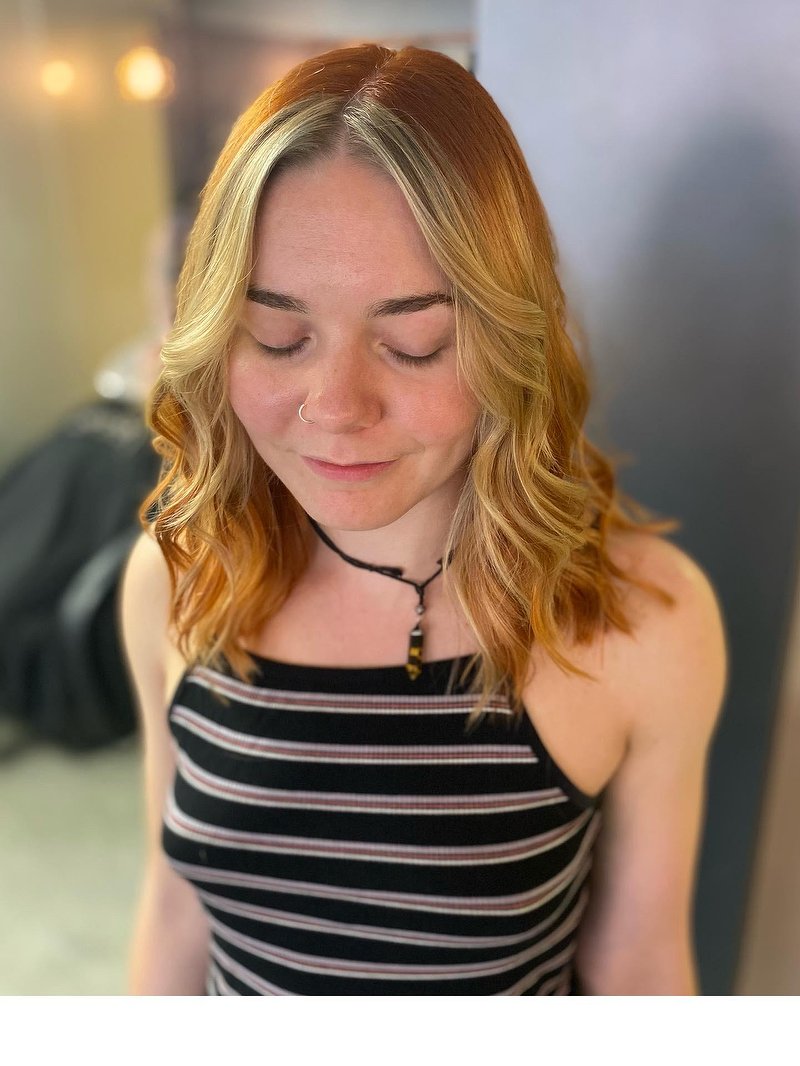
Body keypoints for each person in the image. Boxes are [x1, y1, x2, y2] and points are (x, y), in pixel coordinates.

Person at [122, 43, 727, 996]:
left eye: (414, 343)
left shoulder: (644, 619)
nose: (336, 407)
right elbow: (173, 907)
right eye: (277, 336)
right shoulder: (177, 572)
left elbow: (640, 965)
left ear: (509, 340)